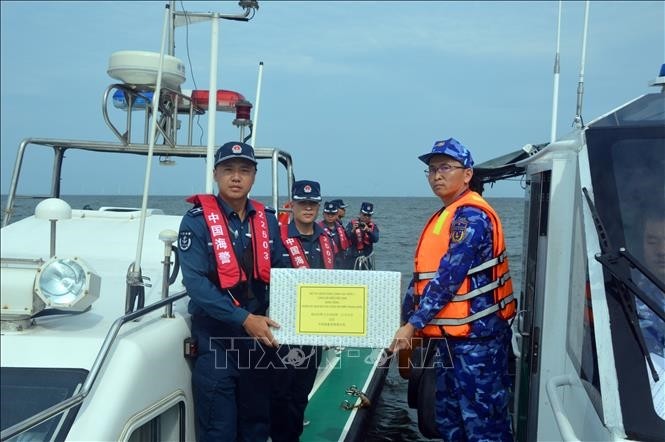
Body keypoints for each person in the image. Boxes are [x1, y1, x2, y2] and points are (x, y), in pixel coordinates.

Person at [388, 138, 516, 441]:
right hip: (448, 342)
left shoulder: (471, 216)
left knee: (483, 425)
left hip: (477, 343)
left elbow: (448, 277)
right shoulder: (446, 215)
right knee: (449, 421)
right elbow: (422, 280)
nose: (437, 176)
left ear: (467, 174)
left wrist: (412, 325)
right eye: (431, 170)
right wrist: (402, 322)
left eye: (446, 167)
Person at [178, 141, 285, 442]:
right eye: (228, 170)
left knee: (256, 425)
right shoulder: (195, 222)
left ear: (254, 176)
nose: (236, 177)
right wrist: (242, 318)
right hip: (217, 340)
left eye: (244, 170)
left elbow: (281, 275)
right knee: (218, 430)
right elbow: (196, 284)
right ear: (215, 174)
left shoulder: (269, 221)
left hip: (259, 340)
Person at [271, 180, 334, 442]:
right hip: (284, 334)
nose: (308, 208)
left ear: (318, 206)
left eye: (313, 203)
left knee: (300, 393)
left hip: (314, 332)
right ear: (292, 204)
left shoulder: (327, 239)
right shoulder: (278, 238)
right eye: (302, 203)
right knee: (279, 394)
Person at [346, 202, 379, 270]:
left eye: (369, 215)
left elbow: (376, 239)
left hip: (366, 259)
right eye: (364, 215)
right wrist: (353, 230)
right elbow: (346, 238)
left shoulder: (373, 227)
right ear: (360, 214)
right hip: (352, 258)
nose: (366, 217)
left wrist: (368, 231)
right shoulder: (352, 224)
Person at [319, 201, 352, 269]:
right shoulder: (318, 229)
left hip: (340, 262)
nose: (330, 216)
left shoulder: (340, 229)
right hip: (324, 263)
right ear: (323, 214)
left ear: (336, 214)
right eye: (328, 213)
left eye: (333, 214)